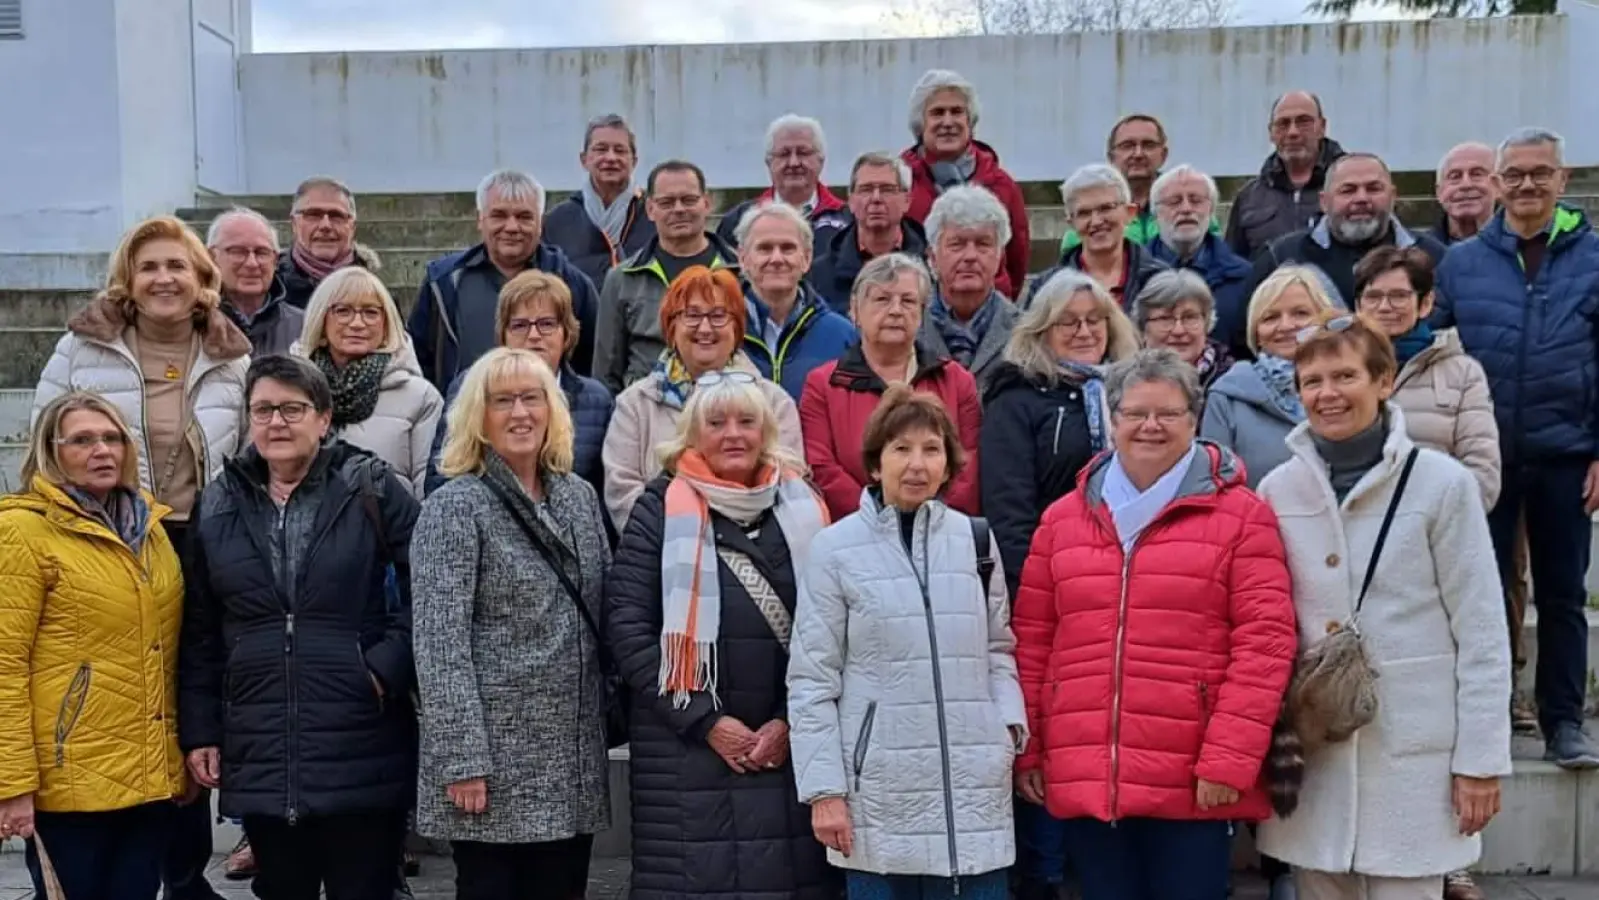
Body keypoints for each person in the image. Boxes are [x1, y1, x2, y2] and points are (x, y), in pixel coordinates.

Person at [1013, 348, 1297, 900]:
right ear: (1112, 420)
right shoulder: (1060, 520)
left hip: (1193, 775)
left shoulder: (1242, 516)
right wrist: (1031, 748)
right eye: (1136, 413)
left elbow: (1264, 644)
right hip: (1088, 767)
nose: (1150, 426)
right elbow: (1034, 643)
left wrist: (1230, 757)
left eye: (1167, 414)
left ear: (1194, 420)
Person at [31, 215, 250, 900]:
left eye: (177, 266)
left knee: (184, 704)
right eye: (149, 266)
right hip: (109, 534)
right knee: (128, 697)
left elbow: (244, 456)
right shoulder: (81, 347)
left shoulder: (231, 356)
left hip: (197, 539)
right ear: (128, 278)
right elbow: (46, 438)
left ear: (202, 279)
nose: (163, 279)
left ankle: (183, 876)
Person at [1256, 315, 1512, 900]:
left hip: (1413, 757)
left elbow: (1482, 630)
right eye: (1311, 380)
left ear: (1385, 381)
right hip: (1317, 758)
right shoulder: (1277, 489)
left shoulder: (1443, 484)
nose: (1327, 393)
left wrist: (1480, 761)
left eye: (1344, 375)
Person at [179, 355, 420, 900]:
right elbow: (199, 629)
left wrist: (383, 667)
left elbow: (428, 588)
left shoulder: (370, 487)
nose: (277, 422)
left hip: (360, 734)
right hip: (262, 740)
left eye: (292, 408)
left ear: (324, 418)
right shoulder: (218, 502)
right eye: (263, 409)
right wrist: (201, 730)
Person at [788, 385, 1025, 900]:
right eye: (901, 449)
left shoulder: (977, 541)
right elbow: (812, 679)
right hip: (878, 796)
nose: (917, 464)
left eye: (931, 449)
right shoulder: (834, 549)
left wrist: (1005, 731)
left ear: (948, 463)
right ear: (875, 463)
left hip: (974, 793)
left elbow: (998, 650)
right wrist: (825, 791)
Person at [606, 375, 838, 900]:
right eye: (716, 423)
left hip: (790, 746)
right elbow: (626, 624)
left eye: (746, 421)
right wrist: (706, 722)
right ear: (691, 435)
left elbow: (834, 630)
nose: (733, 434)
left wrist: (788, 721)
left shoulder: (806, 509)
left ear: (768, 431)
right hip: (686, 750)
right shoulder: (658, 508)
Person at [412, 348, 613, 900]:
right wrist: (462, 760)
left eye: (533, 398)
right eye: (503, 401)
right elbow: (439, 645)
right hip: (493, 764)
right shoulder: (454, 507)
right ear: (478, 415)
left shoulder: (577, 495)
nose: (520, 412)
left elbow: (602, 607)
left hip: (570, 757)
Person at [1434, 126, 1599, 769]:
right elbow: (1440, 354)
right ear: (1499, 182)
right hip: (1485, 455)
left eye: (1542, 173)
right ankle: (1490, 714)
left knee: (1562, 592)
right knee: (1484, 589)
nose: (1527, 184)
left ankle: (1563, 722)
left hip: (1567, 450)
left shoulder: (1593, 257)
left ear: (1563, 180)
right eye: (1516, 174)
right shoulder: (1463, 263)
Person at [0, 393, 187, 900]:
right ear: (50, 452)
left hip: (148, 779)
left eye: (112, 438)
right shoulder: (21, 531)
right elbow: (4, 666)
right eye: (82, 440)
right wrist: (13, 784)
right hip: (69, 784)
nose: (101, 450)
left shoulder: (149, 528)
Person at [1354, 247, 1500, 900]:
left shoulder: (1458, 371)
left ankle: (1446, 858)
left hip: (1434, 544)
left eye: (1396, 296)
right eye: (1372, 298)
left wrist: (1421, 504)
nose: (1385, 308)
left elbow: (1482, 471)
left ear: (1424, 303)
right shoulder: (1343, 364)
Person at [601, 265, 801, 531]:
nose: (705, 328)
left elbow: (789, 485)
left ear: (737, 328)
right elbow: (622, 493)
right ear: (671, 327)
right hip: (662, 552)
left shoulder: (774, 403)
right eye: (692, 315)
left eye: (718, 315)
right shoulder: (635, 405)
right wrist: (686, 537)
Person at [981, 270, 1140, 599]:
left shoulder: (1135, 391)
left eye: (1094, 319)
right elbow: (1009, 511)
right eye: (1068, 322)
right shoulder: (1015, 397)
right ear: (1042, 330)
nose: (1084, 331)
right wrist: (1029, 591)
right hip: (1055, 578)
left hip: (1135, 574)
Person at [802, 252, 981, 519]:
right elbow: (821, 468)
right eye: (882, 299)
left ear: (922, 313)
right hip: (855, 532)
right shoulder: (823, 385)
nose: (896, 310)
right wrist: (876, 518)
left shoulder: (956, 380)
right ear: (855, 310)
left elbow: (967, 466)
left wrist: (932, 519)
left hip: (941, 528)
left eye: (908, 300)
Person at [426, 271, 613, 498]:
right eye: (520, 325)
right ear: (503, 335)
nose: (534, 335)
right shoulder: (470, 387)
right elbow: (441, 476)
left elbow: (603, 495)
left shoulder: (597, 401)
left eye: (546, 324)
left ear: (567, 334)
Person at [409, 169, 600, 389]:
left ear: (540, 223)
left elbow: (590, 363)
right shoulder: (443, 283)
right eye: (499, 215)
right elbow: (420, 362)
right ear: (480, 219)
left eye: (524, 217)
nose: (511, 227)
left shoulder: (572, 284)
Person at [1243, 153, 1447, 326]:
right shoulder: (1281, 257)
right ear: (1324, 201)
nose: (1361, 199)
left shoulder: (1434, 256)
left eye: (1373, 188)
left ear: (1393, 196)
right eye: (1348, 190)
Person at [594, 159, 739, 394]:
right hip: (648, 415)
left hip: (725, 408)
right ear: (650, 209)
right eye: (667, 202)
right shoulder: (621, 279)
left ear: (707, 203)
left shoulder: (739, 274)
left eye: (689, 200)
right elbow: (606, 373)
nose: (679, 209)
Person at [295, 268, 442, 497]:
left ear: (386, 324)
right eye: (343, 311)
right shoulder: (290, 389)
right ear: (320, 319)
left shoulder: (420, 397)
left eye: (370, 312)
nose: (357, 323)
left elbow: (431, 490)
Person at [1201, 266, 1338, 489]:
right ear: (1256, 332)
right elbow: (1214, 485)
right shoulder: (1226, 396)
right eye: (1271, 317)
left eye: (1300, 313)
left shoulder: (1350, 387)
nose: (1285, 326)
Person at [900, 69, 1029, 299]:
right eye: (937, 113)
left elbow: (1017, 261)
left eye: (957, 112)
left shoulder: (1002, 186)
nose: (947, 122)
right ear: (920, 124)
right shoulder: (901, 184)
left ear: (970, 121)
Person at [736, 202, 857, 400]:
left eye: (788, 248)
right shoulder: (719, 331)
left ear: (807, 258)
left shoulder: (843, 336)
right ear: (743, 259)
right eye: (765, 248)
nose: (776, 258)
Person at [916, 184, 1021, 392]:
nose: (970, 256)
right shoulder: (908, 326)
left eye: (983, 244)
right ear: (932, 256)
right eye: (957, 244)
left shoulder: (1025, 332)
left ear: (999, 256)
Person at [1225, 91, 1346, 261]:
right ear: (1271, 133)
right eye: (1283, 124)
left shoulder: (1352, 188)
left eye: (1303, 122)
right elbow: (1234, 265)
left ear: (1322, 127)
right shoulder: (1249, 198)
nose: (1292, 132)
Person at [1029, 164, 1167, 312]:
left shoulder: (1160, 281)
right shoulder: (1046, 289)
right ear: (1071, 223)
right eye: (1084, 213)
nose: (1096, 221)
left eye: (1106, 208)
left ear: (1130, 213)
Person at [541, 114, 655, 287]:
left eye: (620, 150)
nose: (610, 158)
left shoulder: (654, 214)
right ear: (584, 159)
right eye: (601, 149)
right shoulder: (557, 221)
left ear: (634, 161)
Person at [1146, 165, 1252, 350]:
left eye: (1196, 201)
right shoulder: (1134, 273)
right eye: (1174, 201)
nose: (1186, 209)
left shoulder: (1244, 277)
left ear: (1211, 211)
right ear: (1155, 213)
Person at [809, 151, 928, 315]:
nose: (876, 198)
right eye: (866, 189)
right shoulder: (820, 274)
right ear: (850, 200)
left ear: (906, 200)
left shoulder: (932, 266)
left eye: (887, 189)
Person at [716, 113, 848, 249]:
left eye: (803, 152)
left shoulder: (848, 220)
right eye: (784, 154)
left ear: (821, 160)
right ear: (769, 162)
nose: (794, 163)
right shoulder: (737, 221)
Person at [1061, 114, 1171, 253]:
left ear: (1164, 154)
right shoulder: (1089, 217)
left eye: (1148, 145)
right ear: (1111, 156)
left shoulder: (1187, 206)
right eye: (1127, 146)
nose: (1138, 154)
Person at [207, 207, 305, 358]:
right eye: (238, 251)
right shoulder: (193, 323)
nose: (252, 263)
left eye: (261, 252)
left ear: (275, 260)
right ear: (211, 257)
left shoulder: (303, 327)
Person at [277, 177, 381, 309]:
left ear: (353, 227)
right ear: (294, 224)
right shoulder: (273, 291)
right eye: (313, 214)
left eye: (336, 216)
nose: (325, 225)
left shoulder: (377, 288)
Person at [1133, 270, 1235, 393]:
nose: (1178, 331)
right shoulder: (1123, 380)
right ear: (1143, 327)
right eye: (1165, 318)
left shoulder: (1233, 380)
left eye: (1190, 317)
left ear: (1206, 323)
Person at [1432, 142, 1500, 246]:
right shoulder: (1421, 253)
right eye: (1455, 176)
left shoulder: (1521, 247)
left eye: (1477, 174)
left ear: (1498, 185)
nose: (1466, 185)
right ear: (1439, 192)